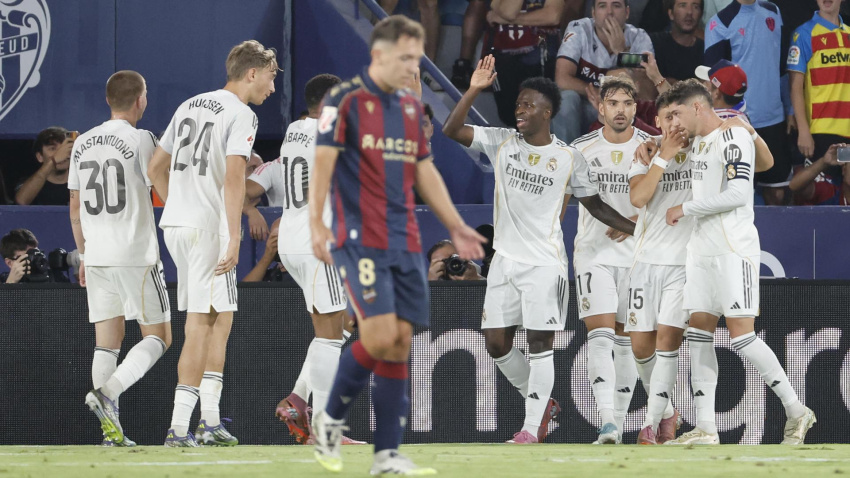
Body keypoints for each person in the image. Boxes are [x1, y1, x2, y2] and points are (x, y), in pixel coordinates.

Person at [310, 16, 485, 475]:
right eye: (406, 58)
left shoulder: (409, 107)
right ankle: (328, 419)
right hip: (358, 236)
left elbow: (424, 170)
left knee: (401, 341)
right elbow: (322, 162)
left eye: (417, 60)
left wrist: (456, 225)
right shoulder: (343, 100)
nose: (413, 68)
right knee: (379, 336)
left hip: (403, 238)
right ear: (379, 55)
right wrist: (316, 222)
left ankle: (386, 455)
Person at [443, 56, 636, 444]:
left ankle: (530, 428)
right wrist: (475, 89)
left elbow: (594, 205)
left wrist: (637, 229)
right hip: (504, 262)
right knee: (496, 343)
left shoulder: (568, 157)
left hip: (545, 265)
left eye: (528, 105)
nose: (520, 110)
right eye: (518, 104)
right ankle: (543, 405)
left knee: (539, 345)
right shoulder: (501, 141)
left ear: (547, 113)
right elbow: (451, 129)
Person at [663, 79, 815, 445]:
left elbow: (736, 194)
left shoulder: (732, 136)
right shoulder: (700, 140)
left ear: (697, 107)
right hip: (701, 249)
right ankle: (706, 427)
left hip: (733, 248)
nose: (673, 123)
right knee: (698, 336)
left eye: (677, 114)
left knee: (742, 336)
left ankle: (797, 410)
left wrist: (686, 208)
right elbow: (767, 161)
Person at [147, 40, 278, 447]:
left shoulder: (189, 104)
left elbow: (155, 167)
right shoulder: (242, 113)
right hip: (208, 229)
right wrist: (233, 235)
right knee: (201, 324)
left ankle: (209, 421)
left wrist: (178, 204)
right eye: (271, 77)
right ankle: (179, 427)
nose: (272, 88)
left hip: (179, 224)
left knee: (221, 317)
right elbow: (235, 176)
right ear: (252, 73)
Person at [72, 71, 172, 447]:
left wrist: (84, 254)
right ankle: (108, 392)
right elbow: (160, 180)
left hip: (96, 253)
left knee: (107, 343)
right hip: (134, 252)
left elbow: (74, 207)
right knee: (159, 336)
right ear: (140, 100)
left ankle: (110, 434)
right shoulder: (142, 138)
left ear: (107, 99)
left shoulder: (81, 142)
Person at [266, 73, 364, 447]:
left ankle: (298, 398)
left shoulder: (294, 130)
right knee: (329, 338)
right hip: (318, 241)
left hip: (293, 238)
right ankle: (325, 430)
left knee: (340, 324)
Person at [569, 75, 647, 444]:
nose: (620, 110)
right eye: (613, 103)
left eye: (627, 103)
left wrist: (635, 222)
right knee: (599, 336)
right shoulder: (580, 148)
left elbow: (670, 199)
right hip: (593, 253)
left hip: (637, 257)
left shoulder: (650, 146)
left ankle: (618, 420)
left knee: (626, 342)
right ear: (600, 108)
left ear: (635, 108)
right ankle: (607, 422)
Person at [627, 91, 692, 445]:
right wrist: (663, 155)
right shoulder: (648, 153)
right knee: (641, 348)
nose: (673, 123)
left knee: (667, 341)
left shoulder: (703, 150)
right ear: (657, 122)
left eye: (678, 115)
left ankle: (650, 425)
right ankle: (667, 412)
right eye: (667, 117)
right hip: (644, 262)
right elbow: (638, 198)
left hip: (682, 264)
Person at [704, 0, 792, 205]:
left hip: (774, 118)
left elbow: (782, 68)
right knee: (739, 195)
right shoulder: (720, 22)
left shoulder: (773, 11)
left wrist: (790, 109)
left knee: (778, 194)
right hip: (736, 123)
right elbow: (711, 80)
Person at [554, 0, 654, 143]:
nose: (609, 12)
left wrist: (622, 53)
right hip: (584, 103)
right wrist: (600, 94)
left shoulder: (640, 38)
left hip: (619, 109)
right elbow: (562, 79)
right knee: (567, 99)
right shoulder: (579, 29)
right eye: (602, 6)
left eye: (616, 5)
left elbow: (648, 94)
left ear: (627, 12)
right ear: (593, 13)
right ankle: (567, 154)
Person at [788, 0, 850, 170]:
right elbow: (795, 87)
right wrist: (803, 131)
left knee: (846, 183)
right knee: (823, 183)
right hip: (821, 132)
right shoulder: (803, 34)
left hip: (847, 131)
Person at [481, 0, 564, 127]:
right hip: (503, 55)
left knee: (539, 110)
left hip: (541, 55)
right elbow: (509, 12)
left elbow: (552, 16)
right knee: (509, 114)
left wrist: (508, 20)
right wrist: (512, 18)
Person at [15, 127, 75, 205]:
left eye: (64, 148)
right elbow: (21, 202)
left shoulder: (82, 182)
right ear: (40, 157)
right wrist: (53, 160)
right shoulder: (29, 183)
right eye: (52, 148)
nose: (62, 153)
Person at [649, 0, 704, 83]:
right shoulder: (653, 43)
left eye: (695, 6)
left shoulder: (706, 51)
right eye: (683, 5)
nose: (689, 12)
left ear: (701, 14)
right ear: (671, 14)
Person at [243, 151, 282, 241]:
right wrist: (250, 211)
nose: (258, 173)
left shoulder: (266, 199)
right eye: (252, 168)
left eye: (261, 167)